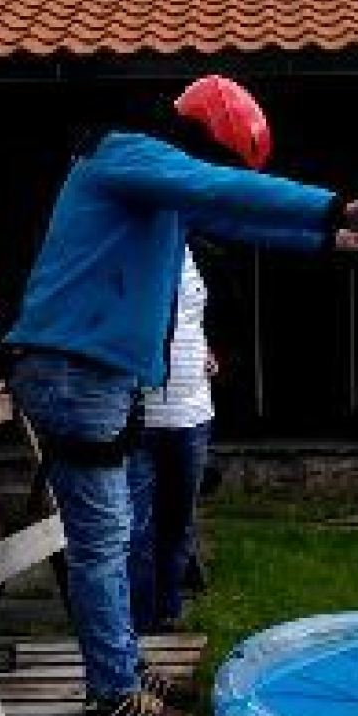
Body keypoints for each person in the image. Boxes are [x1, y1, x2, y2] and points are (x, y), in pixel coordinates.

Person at [4, 74, 358, 716]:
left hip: (91, 375)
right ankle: (111, 692)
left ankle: (121, 667)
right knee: (105, 540)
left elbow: (226, 213)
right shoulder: (127, 154)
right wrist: (335, 206)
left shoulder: (154, 185)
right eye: (214, 157)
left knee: (109, 535)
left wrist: (317, 238)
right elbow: (223, 189)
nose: (209, 171)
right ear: (198, 137)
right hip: (74, 374)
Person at [127, 245, 216, 635]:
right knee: (135, 528)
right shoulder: (126, 251)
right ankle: (139, 627)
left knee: (178, 524)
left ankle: (167, 613)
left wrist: (203, 351)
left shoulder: (190, 255)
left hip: (193, 411)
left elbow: (189, 320)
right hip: (138, 413)